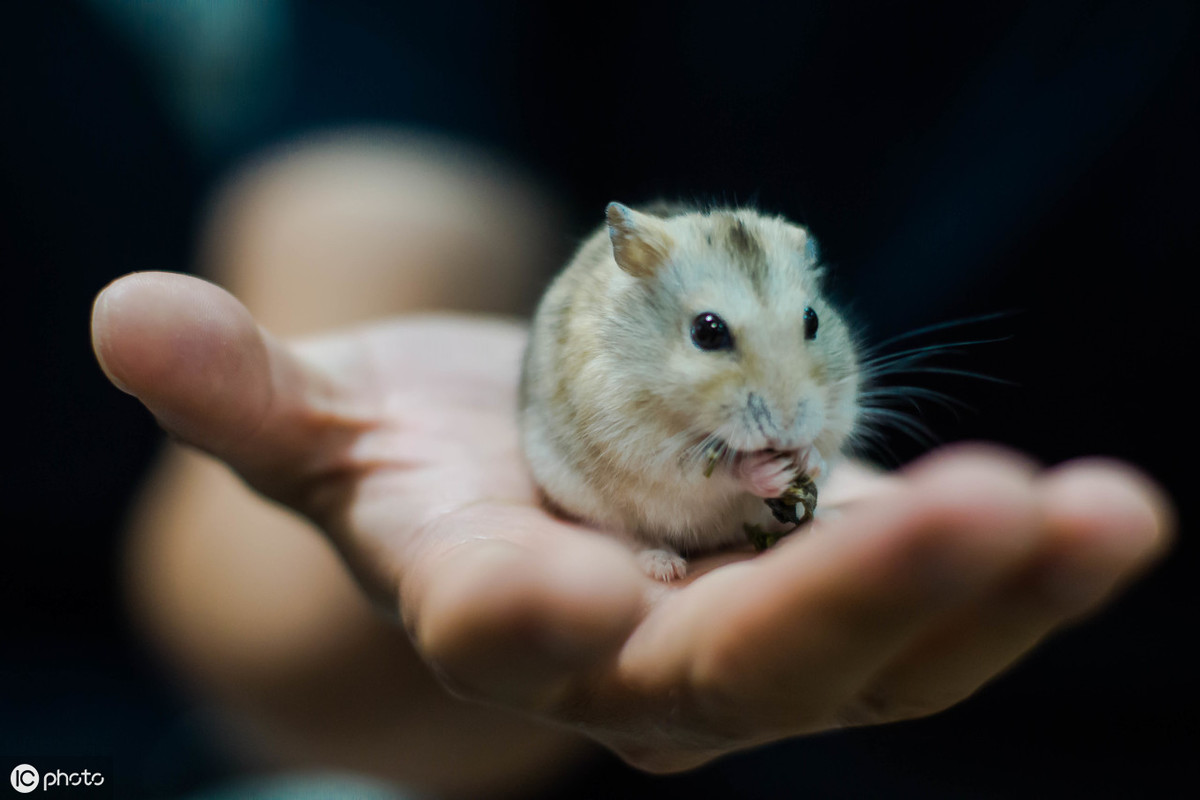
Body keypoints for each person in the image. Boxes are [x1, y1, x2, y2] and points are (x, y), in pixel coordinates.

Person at [89, 133, 1173, 799]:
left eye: (804, 329)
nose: (788, 388)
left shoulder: (807, 354)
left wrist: (790, 462)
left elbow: (805, 403)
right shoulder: (606, 345)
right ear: (647, 297)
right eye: (715, 336)